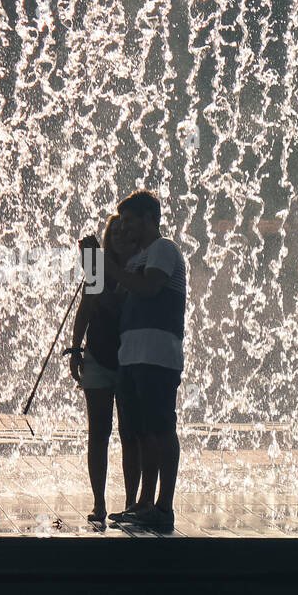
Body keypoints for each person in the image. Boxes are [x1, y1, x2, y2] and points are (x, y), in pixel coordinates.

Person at [106, 190, 188, 533]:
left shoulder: (164, 249)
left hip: (157, 356)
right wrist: (96, 265)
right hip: (131, 355)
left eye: (129, 221)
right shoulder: (136, 259)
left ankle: (163, 506)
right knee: (139, 433)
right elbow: (109, 305)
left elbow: (150, 288)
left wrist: (112, 266)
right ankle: (142, 503)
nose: (124, 228)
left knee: (160, 430)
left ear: (148, 219)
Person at [67, 216, 140, 526]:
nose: (121, 237)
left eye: (127, 232)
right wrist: (75, 349)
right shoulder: (98, 269)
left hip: (129, 361)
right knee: (99, 432)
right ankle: (98, 503)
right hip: (97, 358)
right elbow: (86, 309)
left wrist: (97, 267)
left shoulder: (138, 269)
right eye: (116, 233)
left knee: (129, 434)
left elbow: (117, 309)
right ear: (109, 239)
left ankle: (131, 503)